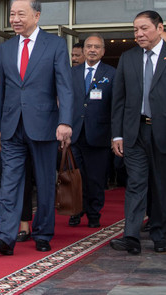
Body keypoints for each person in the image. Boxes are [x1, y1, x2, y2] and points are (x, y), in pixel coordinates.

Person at [0, 0, 73, 256]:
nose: (15, 19)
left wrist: (65, 121)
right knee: (9, 181)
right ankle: (4, 237)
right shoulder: (7, 47)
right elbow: (1, 90)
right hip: (12, 126)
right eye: (12, 14)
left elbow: (65, 87)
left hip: (44, 124)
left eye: (20, 14)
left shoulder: (55, 44)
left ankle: (43, 232)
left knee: (45, 182)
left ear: (36, 15)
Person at [109, 10, 166, 255]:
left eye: (144, 28)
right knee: (136, 184)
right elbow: (119, 99)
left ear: (160, 28)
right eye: (135, 29)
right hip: (134, 132)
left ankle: (160, 233)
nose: (139, 34)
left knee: (162, 186)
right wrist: (117, 134)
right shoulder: (128, 57)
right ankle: (131, 237)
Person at [69, 34, 114, 228]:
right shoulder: (72, 73)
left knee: (95, 177)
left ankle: (94, 213)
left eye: (97, 47)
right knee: (74, 177)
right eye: (89, 46)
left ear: (103, 51)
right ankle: (76, 211)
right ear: (84, 50)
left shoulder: (111, 73)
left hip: (99, 135)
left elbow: (115, 105)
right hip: (74, 134)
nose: (92, 50)